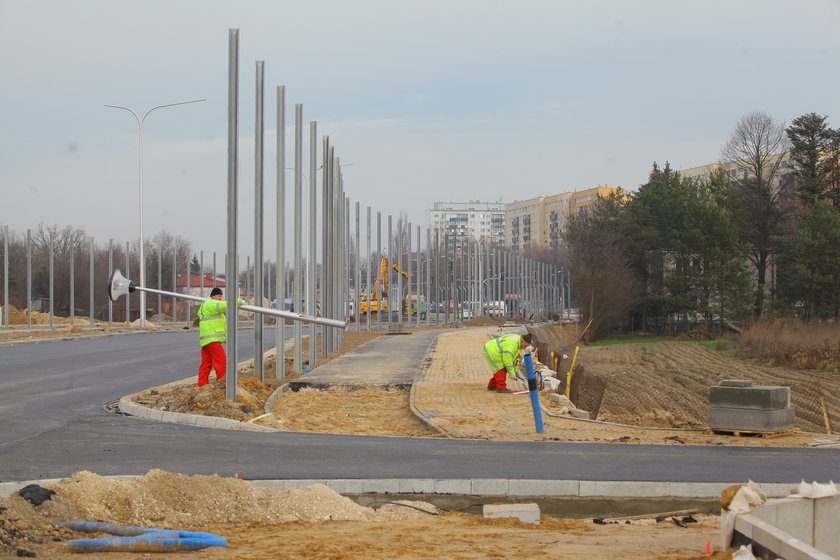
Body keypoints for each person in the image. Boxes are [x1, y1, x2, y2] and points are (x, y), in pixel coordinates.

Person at [197, 287, 241, 387]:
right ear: (213, 296)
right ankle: (223, 383)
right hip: (212, 340)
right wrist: (239, 301)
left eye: (221, 296)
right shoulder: (210, 303)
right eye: (218, 296)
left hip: (207, 340)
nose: (220, 298)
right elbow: (227, 305)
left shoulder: (208, 304)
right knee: (221, 361)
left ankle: (202, 385)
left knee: (206, 363)